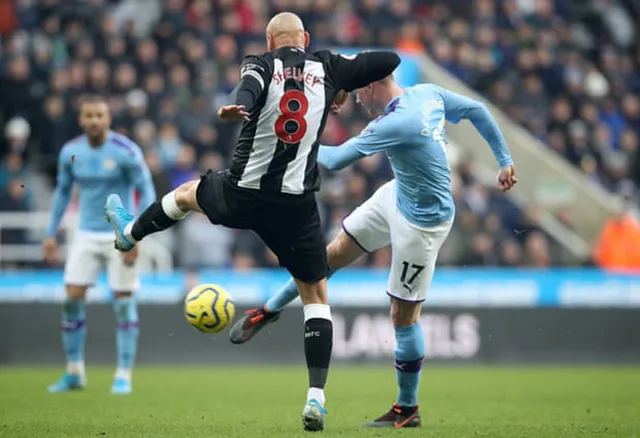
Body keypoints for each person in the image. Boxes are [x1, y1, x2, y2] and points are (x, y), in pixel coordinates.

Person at [103, 12, 400, 431]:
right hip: (295, 205)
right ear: (306, 38)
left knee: (187, 195)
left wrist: (239, 104)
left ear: (269, 41)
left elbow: (251, 88)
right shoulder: (330, 66)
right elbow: (388, 58)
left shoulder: (260, 64)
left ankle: (129, 235)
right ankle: (316, 397)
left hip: (244, 193)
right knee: (315, 295)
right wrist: (343, 86)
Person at [229, 75, 518, 428]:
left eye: (358, 93)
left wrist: (288, 142)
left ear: (372, 86)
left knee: (403, 316)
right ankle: (268, 310)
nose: (358, 101)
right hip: (397, 194)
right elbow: (477, 109)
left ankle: (407, 409)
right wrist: (504, 160)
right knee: (327, 258)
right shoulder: (427, 94)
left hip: (423, 225)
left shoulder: (396, 122)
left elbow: (334, 160)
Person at [43, 94, 156, 395]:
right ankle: (74, 372)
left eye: (99, 115)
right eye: (89, 115)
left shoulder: (126, 152)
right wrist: (50, 233)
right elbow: (63, 193)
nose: (94, 121)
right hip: (85, 233)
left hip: (121, 235)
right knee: (71, 298)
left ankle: (123, 375)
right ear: (81, 120)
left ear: (108, 119)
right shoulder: (71, 152)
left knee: (122, 303)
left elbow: (146, 191)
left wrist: (137, 234)